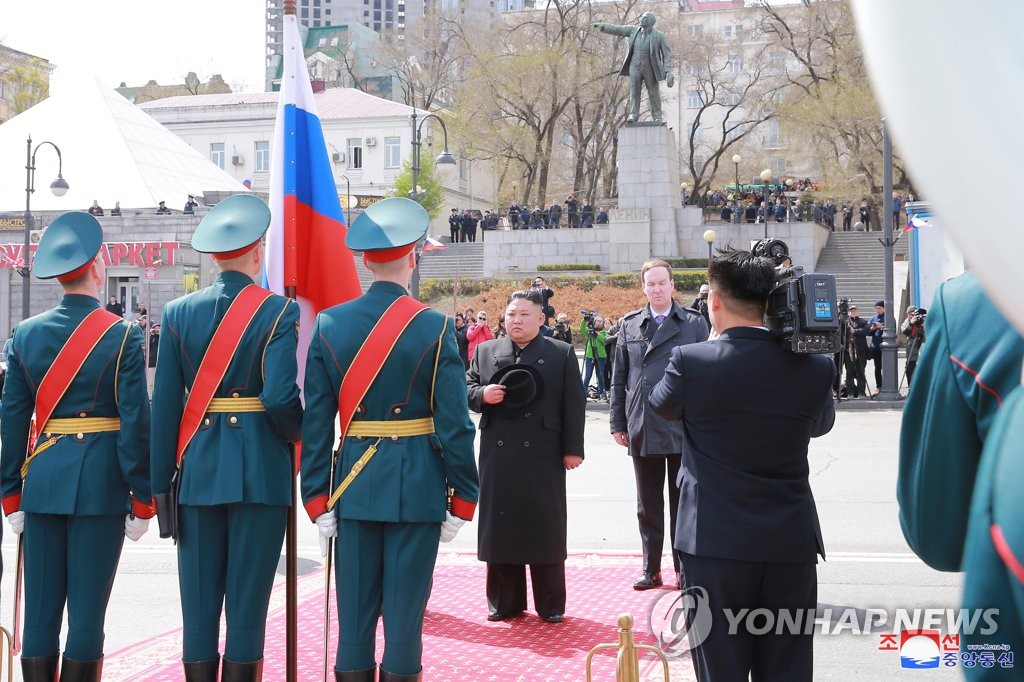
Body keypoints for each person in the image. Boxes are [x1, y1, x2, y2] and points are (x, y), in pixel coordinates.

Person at [301, 197, 479, 681]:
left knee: (353, 625)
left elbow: (316, 422)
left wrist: (317, 498)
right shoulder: (436, 326)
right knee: (404, 627)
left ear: (364, 260)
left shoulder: (330, 325)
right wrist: (464, 496)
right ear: (414, 257)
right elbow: (455, 425)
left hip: (352, 486)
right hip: (419, 486)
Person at [649, 248, 835, 682]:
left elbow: (660, 405)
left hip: (715, 544)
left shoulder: (691, 362)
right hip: (789, 543)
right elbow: (820, 425)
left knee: (720, 668)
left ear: (714, 300)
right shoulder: (815, 367)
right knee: (788, 667)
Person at [150, 194, 303, 681]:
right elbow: (280, 398)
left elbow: (165, 409)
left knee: (198, 605)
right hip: (260, 470)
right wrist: (302, 434)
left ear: (215, 256)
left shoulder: (177, 312)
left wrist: (159, 486)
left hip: (196, 473)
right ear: (258, 252)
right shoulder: (278, 311)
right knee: (248, 602)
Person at [0, 211, 154, 681]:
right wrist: (142, 500)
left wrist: (10, 495)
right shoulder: (124, 335)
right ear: (98, 266)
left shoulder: (26, 334)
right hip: (101, 488)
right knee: (87, 615)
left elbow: (10, 421)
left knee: (41, 613)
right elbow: (134, 426)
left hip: (42, 485)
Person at [467, 289, 585, 624]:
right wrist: (481, 395)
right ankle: (505, 601)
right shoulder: (487, 350)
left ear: (541, 319)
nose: (516, 320)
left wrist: (572, 449)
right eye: (511, 314)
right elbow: (465, 387)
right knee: (501, 525)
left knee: (543, 525)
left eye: (524, 314)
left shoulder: (560, 353)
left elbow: (573, 405)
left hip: (543, 452)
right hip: (498, 451)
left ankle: (550, 603)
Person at [610, 260, 709, 591]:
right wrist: (617, 422)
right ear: (643, 287)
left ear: (671, 285)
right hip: (643, 423)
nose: (656, 289)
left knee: (684, 503)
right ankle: (651, 568)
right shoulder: (629, 325)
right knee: (647, 504)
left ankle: (685, 569)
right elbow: (619, 377)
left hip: (682, 425)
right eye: (650, 284)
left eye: (661, 283)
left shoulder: (694, 323)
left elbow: (707, 373)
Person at [592, 12, 674, 123]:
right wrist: (604, 27)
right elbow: (618, 29)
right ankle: (633, 115)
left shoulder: (659, 36)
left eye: (644, 18)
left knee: (653, 92)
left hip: (650, 68)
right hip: (634, 66)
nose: (641, 19)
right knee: (634, 91)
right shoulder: (633, 30)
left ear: (650, 22)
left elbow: (667, 54)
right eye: (642, 17)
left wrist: (668, 71)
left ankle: (657, 116)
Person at [579, 313, 609, 399]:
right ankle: (583, 392)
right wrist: (584, 320)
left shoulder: (604, 332)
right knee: (588, 375)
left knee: (600, 375)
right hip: (590, 356)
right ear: (594, 322)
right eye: (597, 320)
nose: (599, 322)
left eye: (601, 321)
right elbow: (582, 329)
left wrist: (597, 335)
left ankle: (602, 392)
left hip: (601, 356)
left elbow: (604, 341)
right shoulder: (589, 330)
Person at [844, 305, 870, 399]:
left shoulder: (863, 321)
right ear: (848, 313)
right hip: (849, 351)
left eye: (855, 311)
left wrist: (854, 331)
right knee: (849, 372)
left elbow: (866, 331)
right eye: (851, 311)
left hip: (861, 351)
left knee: (861, 372)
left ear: (858, 312)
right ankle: (850, 393)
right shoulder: (845, 322)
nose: (853, 312)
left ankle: (861, 393)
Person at [900, 305, 926, 387]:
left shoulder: (923, 321)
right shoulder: (907, 322)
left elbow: (927, 334)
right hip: (911, 348)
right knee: (910, 368)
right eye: (910, 314)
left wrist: (923, 325)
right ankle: (910, 387)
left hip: (922, 347)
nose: (912, 315)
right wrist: (911, 323)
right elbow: (905, 332)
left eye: (914, 314)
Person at [867, 300, 885, 395]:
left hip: (886, 348)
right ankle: (879, 387)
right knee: (877, 368)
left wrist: (882, 326)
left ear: (884, 308)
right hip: (875, 347)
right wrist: (873, 328)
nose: (878, 310)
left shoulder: (889, 317)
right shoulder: (873, 318)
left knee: (886, 368)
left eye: (879, 308)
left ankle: (887, 386)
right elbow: (868, 333)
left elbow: (893, 329)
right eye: (876, 308)